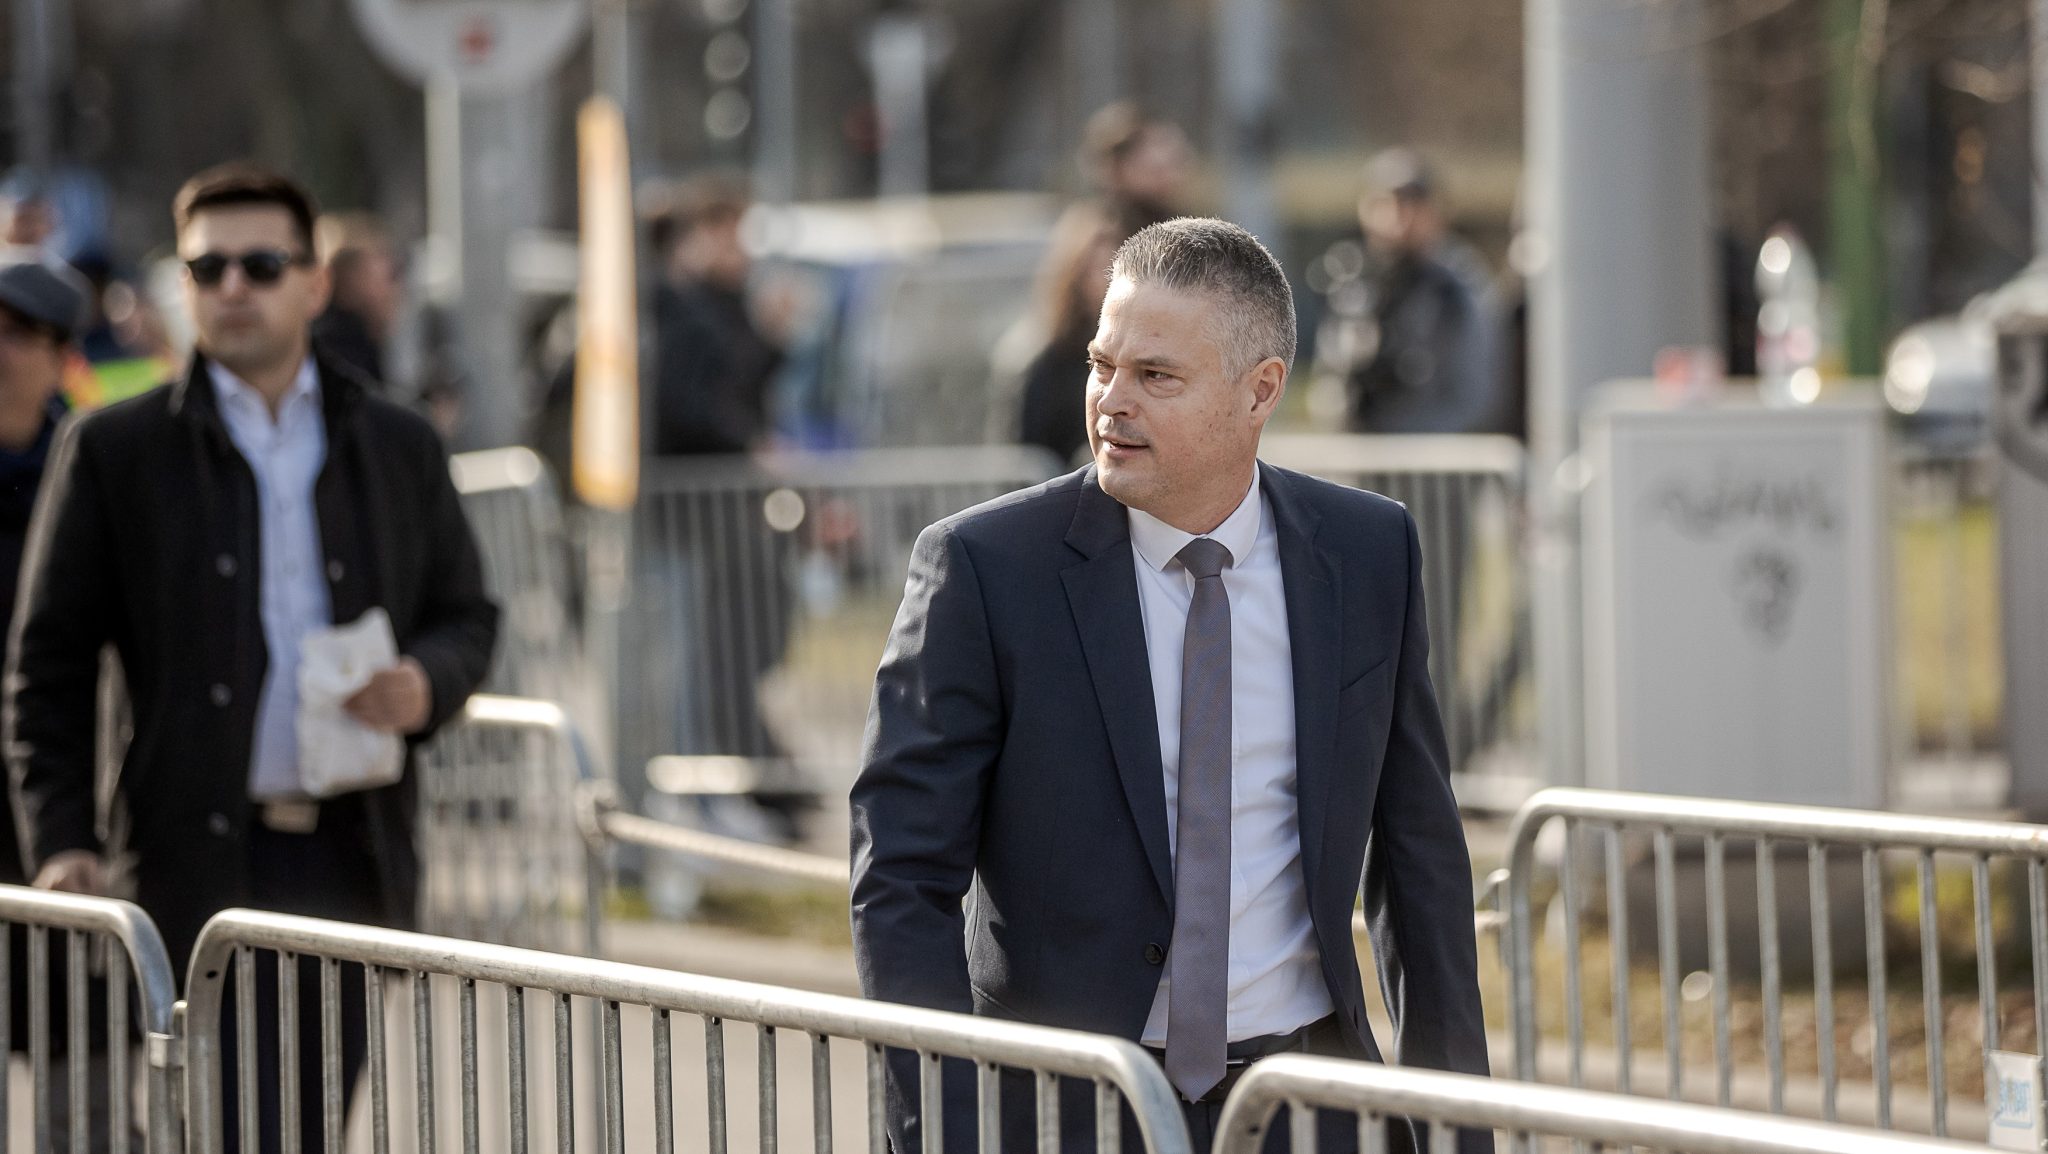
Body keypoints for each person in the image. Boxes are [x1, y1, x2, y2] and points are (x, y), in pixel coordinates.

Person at [851, 218, 1489, 1154]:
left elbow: (1420, 856)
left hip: (1306, 1101)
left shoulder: (1368, 552)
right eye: (1101, 365)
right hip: (1065, 1109)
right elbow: (901, 876)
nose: (1112, 401)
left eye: (1156, 376)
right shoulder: (985, 568)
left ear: (1260, 390)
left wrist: (1456, 1124)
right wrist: (945, 1127)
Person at [5, 163, 499, 1151]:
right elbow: (47, 666)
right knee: (216, 1127)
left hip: (349, 853)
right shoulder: (114, 448)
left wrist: (425, 683)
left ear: (314, 283)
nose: (234, 287)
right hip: (187, 862)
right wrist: (62, 838)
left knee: (306, 1127)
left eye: (261, 265)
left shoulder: (396, 441)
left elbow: (467, 615)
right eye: (209, 268)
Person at [0, 249, 120, 1149]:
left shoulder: (99, 472)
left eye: (15, 334)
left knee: (80, 1096)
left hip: (62, 818)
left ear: (57, 353)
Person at [1331, 149, 1500, 436]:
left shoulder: (1457, 288)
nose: (1397, 219)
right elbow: (1331, 379)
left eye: (1411, 205)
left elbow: (1475, 397)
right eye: (1384, 204)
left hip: (1435, 453)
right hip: (1360, 450)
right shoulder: (1353, 280)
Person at [998, 201, 1121, 463]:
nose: (1105, 281)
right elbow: (1026, 449)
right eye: (1096, 269)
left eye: (1112, 269)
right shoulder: (1045, 359)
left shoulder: (1137, 350)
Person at [312, 212, 404, 387]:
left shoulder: (365, 345)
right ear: (351, 280)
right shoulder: (340, 358)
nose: (396, 291)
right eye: (389, 277)